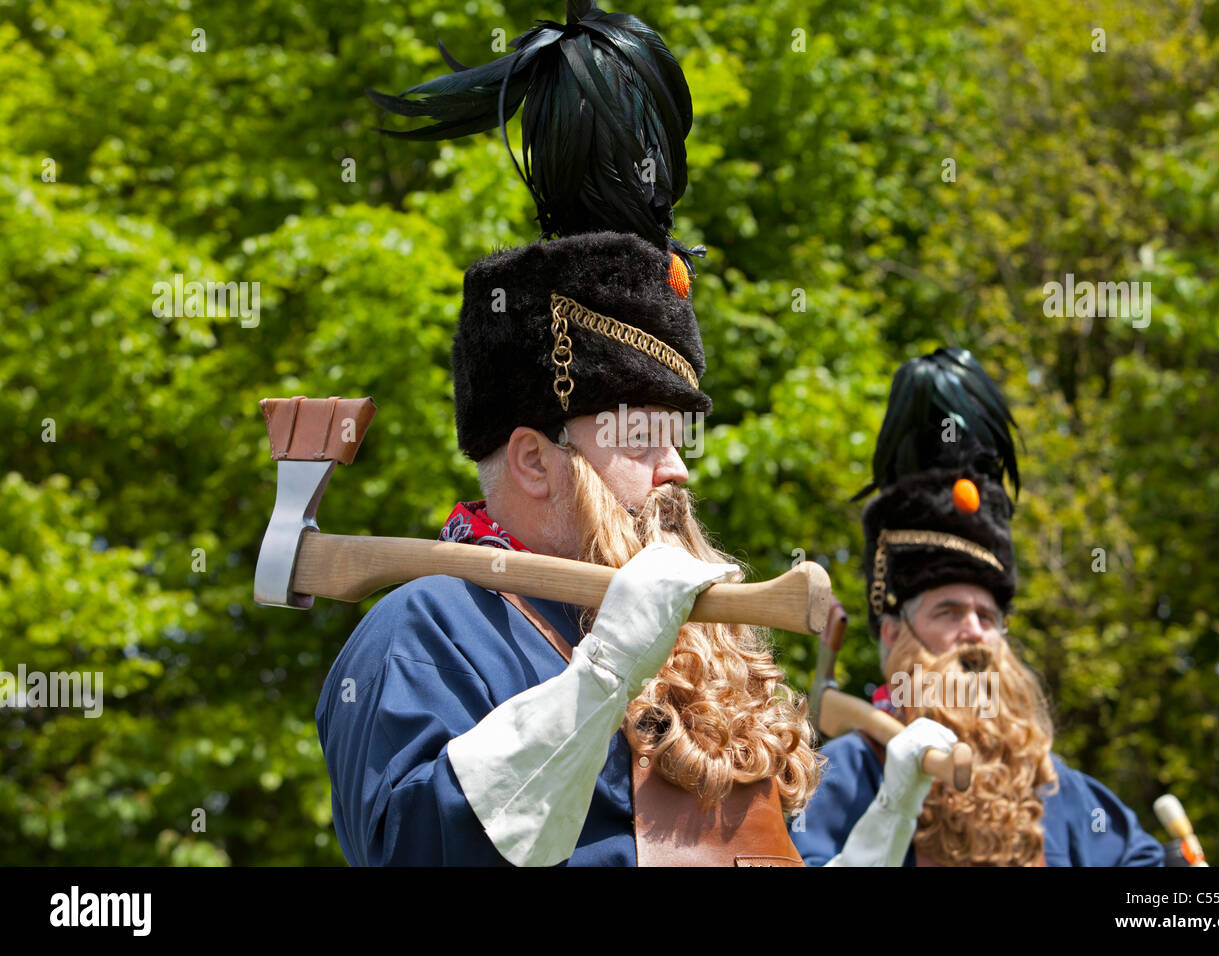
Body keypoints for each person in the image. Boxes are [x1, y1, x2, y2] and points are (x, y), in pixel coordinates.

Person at [314, 0, 842, 867]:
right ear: (533, 459)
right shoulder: (424, 631)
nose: (676, 471)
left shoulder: (708, 669)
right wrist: (600, 678)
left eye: (678, 437)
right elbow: (422, 853)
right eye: (640, 436)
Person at [790, 348, 1165, 866]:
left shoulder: (1058, 788)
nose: (975, 632)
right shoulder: (840, 777)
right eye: (947, 611)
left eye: (988, 617)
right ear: (894, 635)